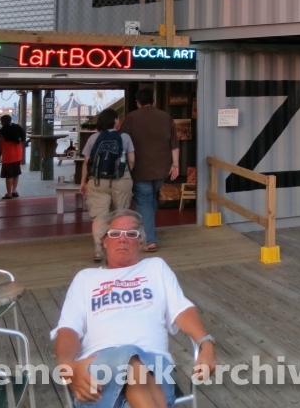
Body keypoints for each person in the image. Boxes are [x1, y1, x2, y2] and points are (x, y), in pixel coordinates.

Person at [52, 210, 216, 408]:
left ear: (140, 242)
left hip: (155, 365)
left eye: (131, 234)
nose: (122, 239)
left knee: (132, 362)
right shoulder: (86, 278)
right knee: (128, 356)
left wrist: (206, 344)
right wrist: (67, 367)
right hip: (101, 364)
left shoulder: (155, 268)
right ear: (104, 241)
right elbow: (69, 328)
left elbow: (181, 309)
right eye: (115, 234)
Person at [122, 90, 179, 252]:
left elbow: (123, 143)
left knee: (144, 202)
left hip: (140, 169)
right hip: (162, 169)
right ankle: (149, 229)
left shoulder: (131, 117)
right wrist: (175, 165)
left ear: (138, 102)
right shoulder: (165, 117)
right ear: (153, 101)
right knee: (151, 198)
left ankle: (149, 239)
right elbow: (174, 144)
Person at [80, 109, 136, 263]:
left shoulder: (93, 138)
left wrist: (83, 181)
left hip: (97, 181)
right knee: (121, 214)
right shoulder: (124, 137)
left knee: (99, 216)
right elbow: (131, 160)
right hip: (121, 180)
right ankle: (120, 247)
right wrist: (126, 174)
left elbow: (86, 162)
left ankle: (99, 250)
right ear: (115, 120)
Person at [0, 114, 26, 200]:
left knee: (8, 175)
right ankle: (14, 191)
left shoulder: (2, 130)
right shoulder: (17, 127)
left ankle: (9, 193)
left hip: (8, 154)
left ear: (3, 121)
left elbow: (0, 144)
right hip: (18, 154)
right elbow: (23, 139)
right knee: (16, 173)